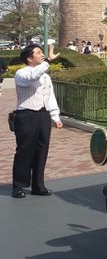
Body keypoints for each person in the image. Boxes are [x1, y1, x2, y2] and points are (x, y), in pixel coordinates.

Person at [11, 43, 64, 198]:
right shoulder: (21, 73)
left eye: (42, 53)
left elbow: (50, 96)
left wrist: (55, 116)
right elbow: (32, 77)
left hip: (42, 116)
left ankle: (38, 185)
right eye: (38, 53)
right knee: (24, 150)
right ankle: (18, 186)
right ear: (29, 58)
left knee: (42, 150)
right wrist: (48, 60)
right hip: (26, 115)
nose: (41, 55)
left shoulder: (46, 76)